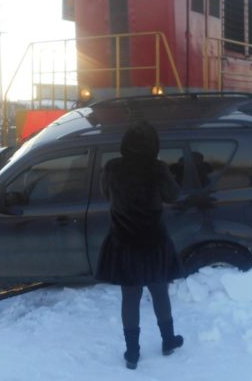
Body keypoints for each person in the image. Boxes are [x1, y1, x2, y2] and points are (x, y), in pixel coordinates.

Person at [95, 120, 184, 370]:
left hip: (125, 244)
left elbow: (106, 194)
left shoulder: (112, 168)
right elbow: (173, 195)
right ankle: (168, 341)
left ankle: (132, 353)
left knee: (130, 298)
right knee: (159, 292)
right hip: (154, 244)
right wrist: (169, 172)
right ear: (153, 145)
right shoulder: (157, 169)